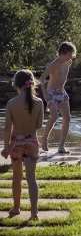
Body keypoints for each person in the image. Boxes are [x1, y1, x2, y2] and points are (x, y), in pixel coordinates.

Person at [1, 70, 44, 220]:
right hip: (32, 142)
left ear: (16, 85)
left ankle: (16, 207)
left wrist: (6, 147)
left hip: (16, 145)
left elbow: (7, 127)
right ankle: (34, 212)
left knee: (17, 177)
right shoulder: (38, 103)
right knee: (31, 178)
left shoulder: (11, 103)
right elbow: (38, 126)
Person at [39, 41, 76, 153]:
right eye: (70, 54)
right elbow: (42, 78)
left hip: (62, 92)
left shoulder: (67, 62)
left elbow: (68, 65)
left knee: (67, 118)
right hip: (52, 92)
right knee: (54, 117)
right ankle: (44, 139)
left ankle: (61, 146)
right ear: (63, 53)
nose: (72, 57)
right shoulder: (54, 64)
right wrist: (45, 92)